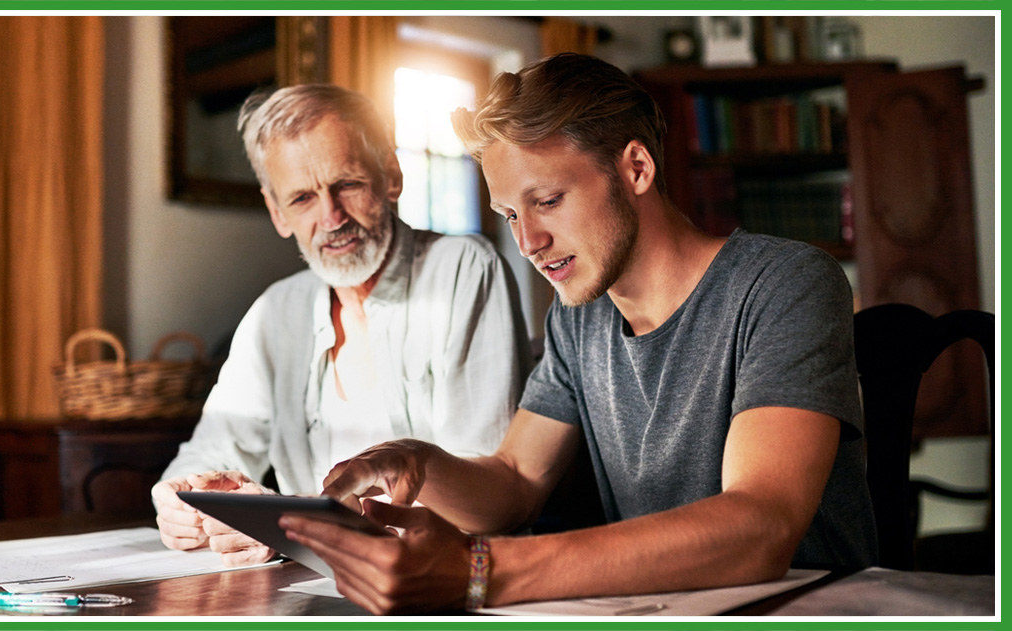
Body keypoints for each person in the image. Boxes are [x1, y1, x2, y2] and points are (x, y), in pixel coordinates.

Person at [280, 53, 879, 614]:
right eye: (511, 215)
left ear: (636, 168)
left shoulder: (787, 283)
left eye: (548, 200)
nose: (527, 242)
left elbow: (761, 527)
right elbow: (514, 481)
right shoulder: (577, 316)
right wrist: (414, 460)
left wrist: (479, 567)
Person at [152, 84, 532, 567]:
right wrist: (180, 500)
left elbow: (485, 501)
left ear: (391, 176)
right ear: (277, 212)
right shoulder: (275, 312)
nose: (331, 217)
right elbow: (208, 453)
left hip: (452, 585)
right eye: (303, 198)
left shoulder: (463, 268)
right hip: (317, 591)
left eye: (347, 184)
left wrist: (294, 523)